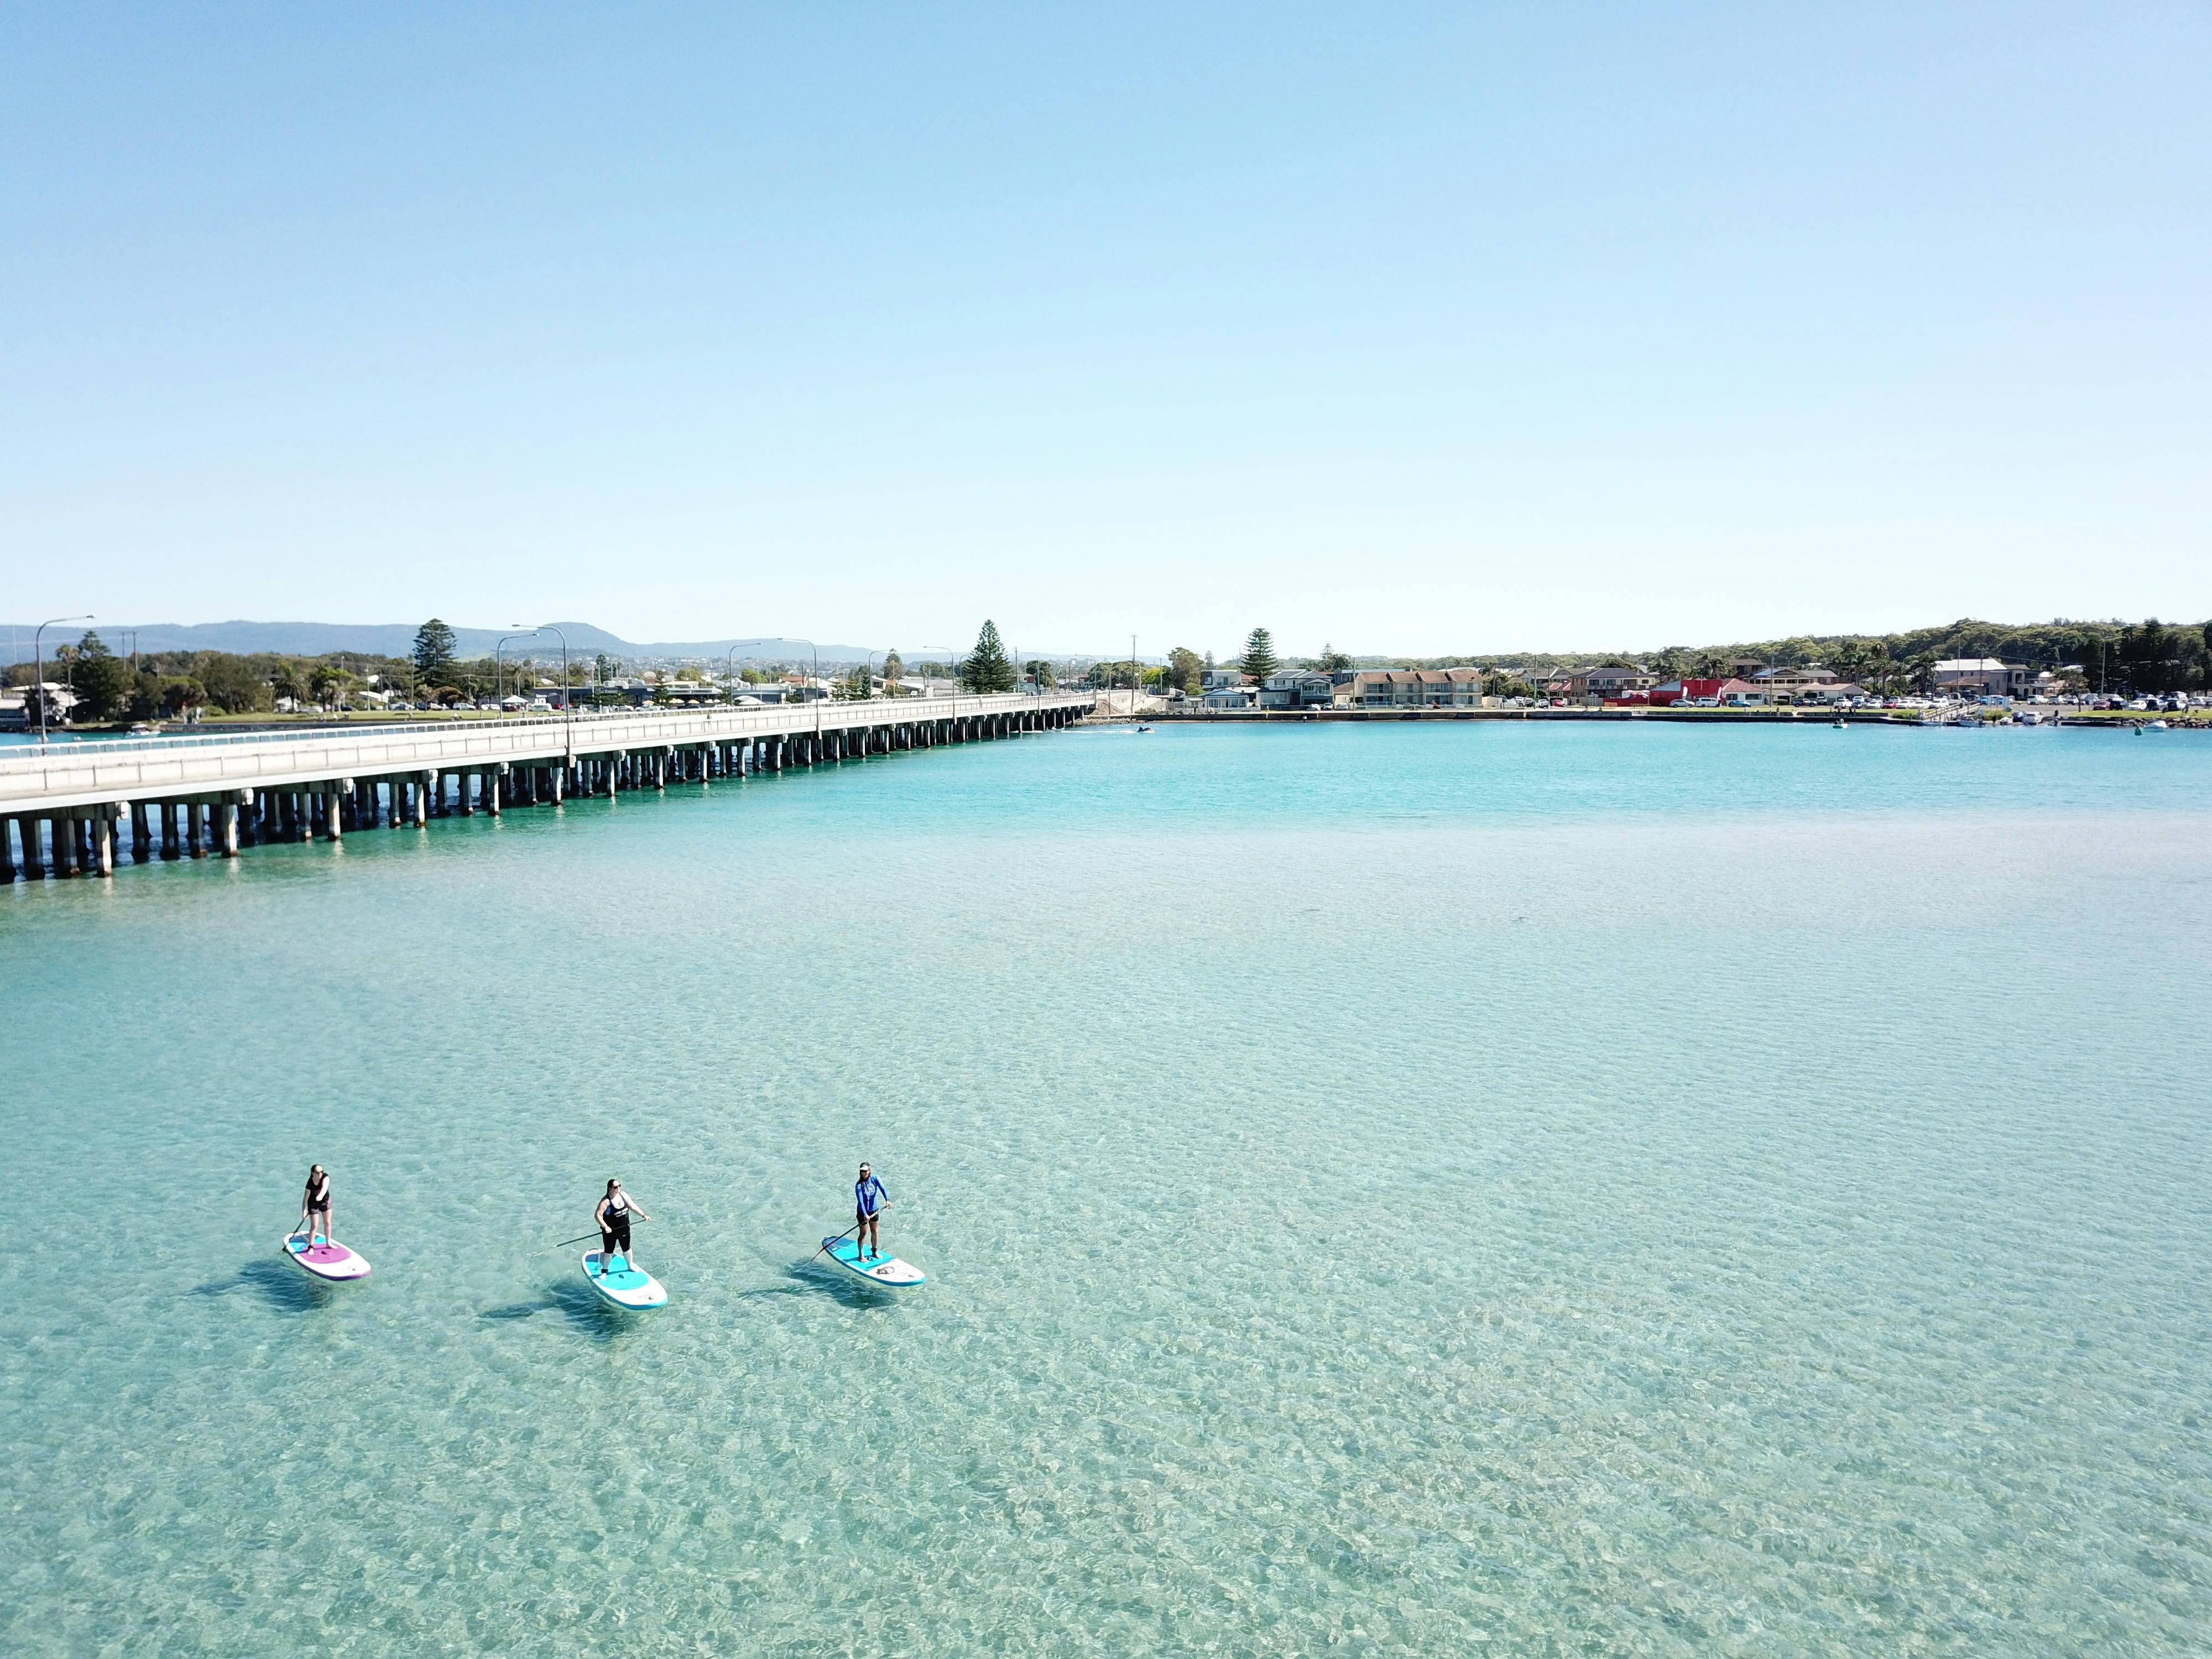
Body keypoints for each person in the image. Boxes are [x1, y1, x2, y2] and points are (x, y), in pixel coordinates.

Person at [593, 1179, 650, 1276]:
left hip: (624, 1228)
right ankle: (604, 1271)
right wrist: (605, 1227)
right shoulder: (606, 1201)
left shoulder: (623, 1195)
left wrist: (643, 1215)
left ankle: (630, 1266)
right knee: (609, 1252)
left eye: (619, 1186)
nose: (618, 1188)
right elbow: (598, 1215)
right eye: (615, 1187)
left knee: (627, 1249)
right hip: (610, 1232)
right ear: (610, 1189)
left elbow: (633, 1206)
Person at [853, 1163, 889, 1260]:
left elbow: (883, 1189)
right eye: (862, 1171)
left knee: (875, 1231)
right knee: (863, 1233)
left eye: (865, 1171)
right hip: (862, 1212)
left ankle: (874, 1251)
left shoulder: (875, 1178)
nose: (863, 1173)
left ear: (869, 1170)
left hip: (874, 1210)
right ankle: (861, 1256)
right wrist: (865, 1214)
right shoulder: (859, 1185)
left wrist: (887, 1199)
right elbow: (860, 1201)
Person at [299, 1164, 334, 1247]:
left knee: (327, 1222)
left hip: (325, 1201)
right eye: (318, 1172)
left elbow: (325, 1188)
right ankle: (311, 1246)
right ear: (313, 1173)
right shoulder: (310, 1183)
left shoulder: (326, 1177)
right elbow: (306, 1198)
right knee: (315, 1225)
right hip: (313, 1203)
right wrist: (304, 1210)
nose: (321, 1174)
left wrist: (320, 1196)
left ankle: (328, 1243)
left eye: (322, 1171)